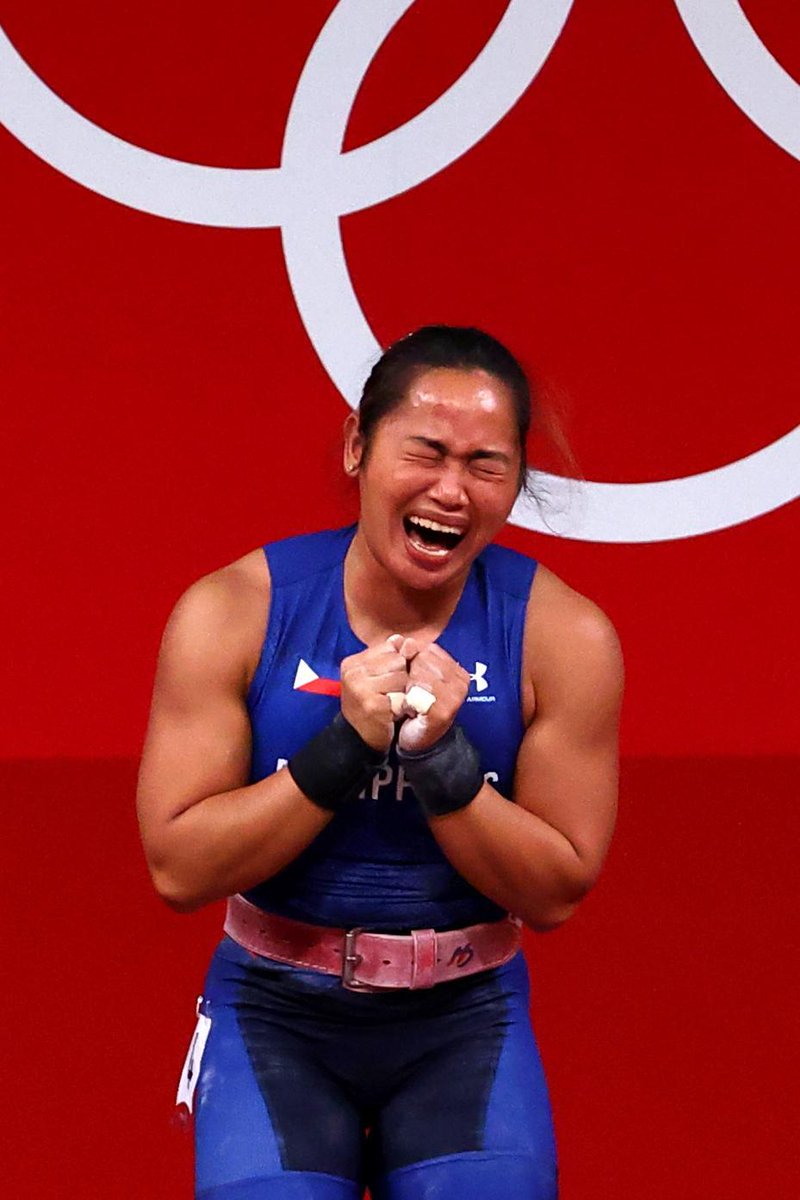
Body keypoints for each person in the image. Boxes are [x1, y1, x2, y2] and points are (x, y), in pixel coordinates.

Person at [136, 325, 623, 1200]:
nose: (451, 490)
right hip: (274, 1017)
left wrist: (441, 761)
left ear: (517, 481)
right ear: (359, 446)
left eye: (486, 464)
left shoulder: (565, 636)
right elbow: (178, 867)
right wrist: (342, 748)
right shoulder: (233, 611)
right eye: (425, 452)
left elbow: (556, 890)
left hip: (464, 1024)